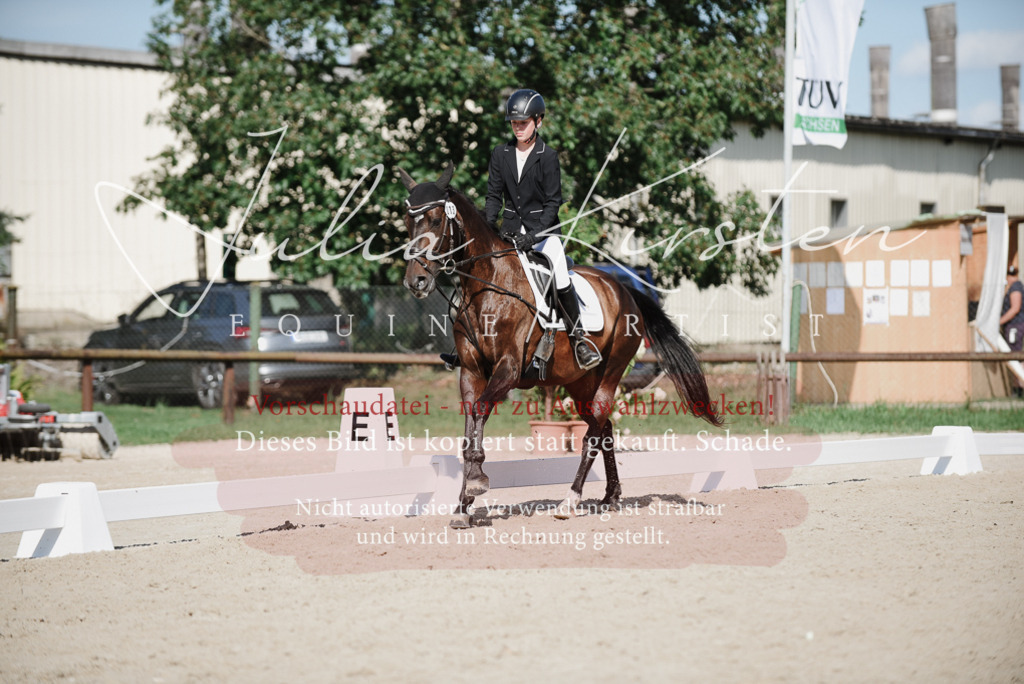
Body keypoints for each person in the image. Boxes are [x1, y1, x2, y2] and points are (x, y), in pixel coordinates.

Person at [482, 88, 601, 371]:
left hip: (542, 235)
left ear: (538, 122)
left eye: (524, 122)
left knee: (560, 274)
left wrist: (533, 236)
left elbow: (552, 204)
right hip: (509, 232)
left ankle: (578, 339)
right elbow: (493, 196)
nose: (519, 128)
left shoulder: (548, 156)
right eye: (514, 123)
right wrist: (488, 227)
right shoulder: (501, 153)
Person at [1000, 265, 1024, 397]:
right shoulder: (1018, 286)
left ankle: (1018, 387)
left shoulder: (1015, 288)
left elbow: (1015, 308)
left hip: (1015, 326)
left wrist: (1000, 321)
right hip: (1017, 325)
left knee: (1015, 356)